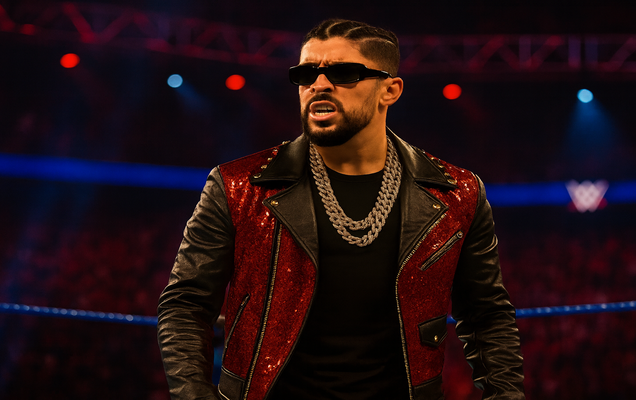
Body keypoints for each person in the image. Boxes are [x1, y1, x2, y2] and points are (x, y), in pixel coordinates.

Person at [157, 19, 525, 400]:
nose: (318, 84)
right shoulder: (237, 186)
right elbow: (184, 305)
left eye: (343, 73)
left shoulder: (457, 193)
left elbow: (488, 316)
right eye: (305, 74)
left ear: (390, 90)